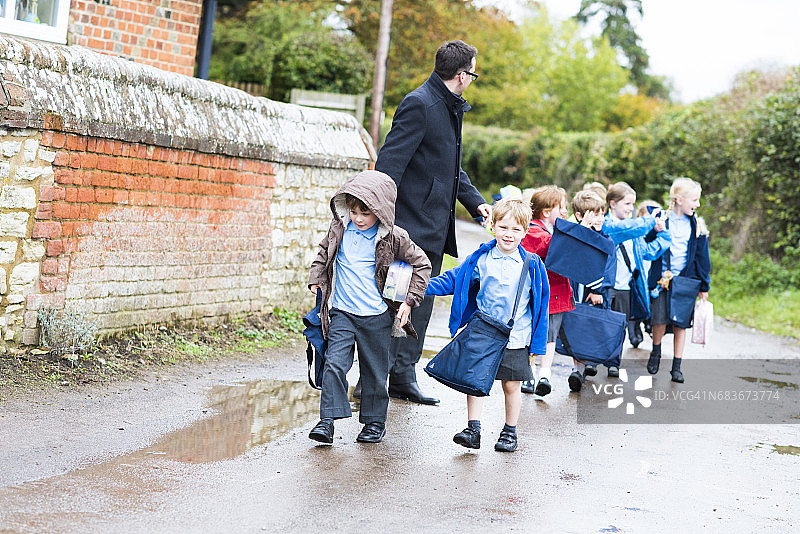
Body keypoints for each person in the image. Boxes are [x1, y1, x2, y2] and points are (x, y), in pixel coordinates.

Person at [375, 40, 492, 405]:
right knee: (395, 302)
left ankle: (403, 376)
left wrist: (476, 203)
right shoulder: (420, 104)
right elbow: (389, 166)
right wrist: (386, 224)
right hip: (408, 230)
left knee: (420, 303)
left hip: (434, 231)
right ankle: (373, 379)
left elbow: (450, 167)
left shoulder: (448, 105)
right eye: (473, 72)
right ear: (462, 75)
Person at [307, 170, 431, 444]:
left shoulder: (394, 237)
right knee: (333, 364)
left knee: (374, 371)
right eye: (353, 211)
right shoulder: (339, 229)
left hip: (376, 316)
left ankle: (374, 423)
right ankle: (327, 421)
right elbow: (323, 253)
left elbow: (422, 264)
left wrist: (409, 301)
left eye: (366, 213)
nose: (358, 218)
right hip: (342, 312)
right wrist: (316, 277)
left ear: (381, 211)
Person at [425, 199, 549, 452]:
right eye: (503, 227)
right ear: (492, 226)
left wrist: (538, 345)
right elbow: (454, 279)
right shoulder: (480, 258)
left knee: (511, 385)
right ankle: (473, 429)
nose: (509, 234)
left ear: (525, 231)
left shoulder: (532, 265)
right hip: (483, 330)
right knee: (474, 380)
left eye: (516, 229)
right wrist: (420, 286)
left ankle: (510, 431)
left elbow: (541, 306)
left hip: (516, 336)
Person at [601, 182, 669, 376]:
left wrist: (663, 234)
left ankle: (613, 362)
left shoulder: (634, 230)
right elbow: (625, 229)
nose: (631, 208)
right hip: (605, 286)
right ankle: (590, 361)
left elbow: (648, 251)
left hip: (625, 287)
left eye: (633, 204)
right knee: (601, 324)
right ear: (612, 204)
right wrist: (650, 220)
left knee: (620, 327)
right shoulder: (608, 225)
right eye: (627, 203)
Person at [647, 177, 711, 383]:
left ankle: (677, 366)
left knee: (680, 324)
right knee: (658, 319)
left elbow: (702, 258)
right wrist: (654, 230)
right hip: (662, 280)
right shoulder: (660, 219)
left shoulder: (697, 225)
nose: (697, 204)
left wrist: (704, 285)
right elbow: (647, 241)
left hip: (685, 281)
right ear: (679, 199)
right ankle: (656, 351)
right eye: (694, 200)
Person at [520, 185, 571, 397]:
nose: (565, 211)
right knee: (534, 333)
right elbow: (550, 246)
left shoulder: (551, 230)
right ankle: (529, 372)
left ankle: (544, 374)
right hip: (541, 293)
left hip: (555, 293)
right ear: (547, 211)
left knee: (550, 336)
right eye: (562, 207)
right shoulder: (534, 231)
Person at [566, 190, 614, 392]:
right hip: (575, 289)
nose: (600, 218)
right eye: (595, 214)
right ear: (580, 216)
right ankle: (577, 369)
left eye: (602, 213)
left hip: (593, 293)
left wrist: (598, 290)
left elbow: (609, 266)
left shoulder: (606, 239)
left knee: (589, 328)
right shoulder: (573, 234)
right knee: (575, 329)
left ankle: (583, 367)